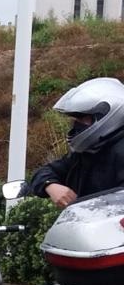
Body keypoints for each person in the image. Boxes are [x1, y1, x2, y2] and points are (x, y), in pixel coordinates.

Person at [30, 77, 124, 207]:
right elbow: (44, 172)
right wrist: (50, 185)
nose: (76, 124)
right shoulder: (88, 152)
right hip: (84, 225)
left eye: (82, 118)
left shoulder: (119, 154)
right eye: (76, 119)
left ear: (107, 115)